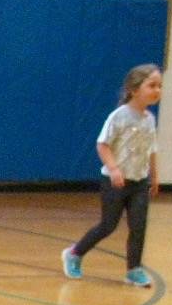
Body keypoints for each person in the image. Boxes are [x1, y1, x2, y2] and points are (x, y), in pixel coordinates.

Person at [61, 64, 162, 288]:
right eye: (152, 85)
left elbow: (151, 149)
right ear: (134, 89)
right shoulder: (119, 116)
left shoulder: (149, 119)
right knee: (108, 225)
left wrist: (154, 176)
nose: (157, 90)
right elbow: (102, 145)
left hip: (139, 181)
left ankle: (134, 270)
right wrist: (114, 168)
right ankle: (75, 253)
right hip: (115, 182)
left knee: (139, 225)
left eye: (159, 86)